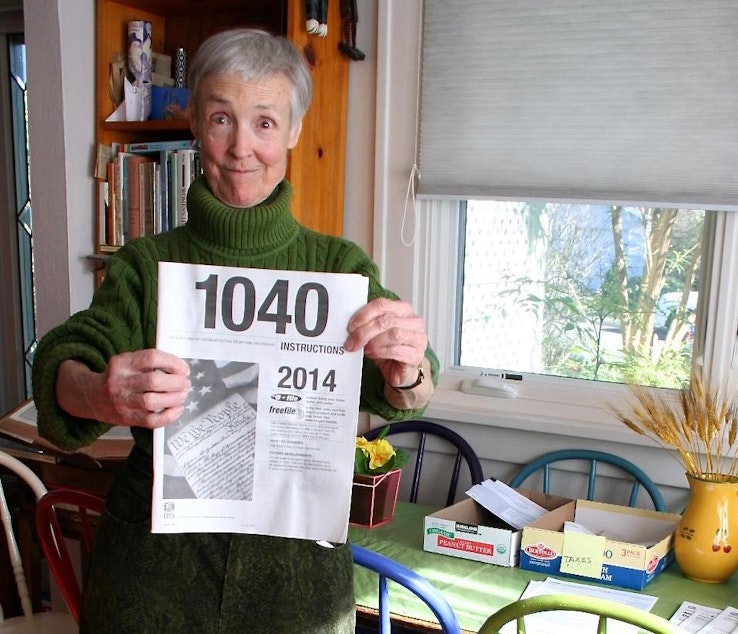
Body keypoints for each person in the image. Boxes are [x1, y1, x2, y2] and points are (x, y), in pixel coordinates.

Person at [32, 28, 437, 633]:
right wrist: (99, 393)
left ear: (295, 130)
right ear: (195, 121)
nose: (241, 147)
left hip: (297, 592)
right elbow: (64, 363)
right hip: (153, 584)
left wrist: (408, 371)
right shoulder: (147, 264)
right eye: (222, 119)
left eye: (265, 123)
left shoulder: (339, 269)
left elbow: (407, 387)